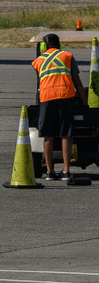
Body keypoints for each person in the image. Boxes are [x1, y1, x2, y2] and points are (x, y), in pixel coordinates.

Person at [33, 33, 85, 180]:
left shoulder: (38, 61)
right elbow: (77, 82)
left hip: (46, 99)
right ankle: (66, 170)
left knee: (48, 135)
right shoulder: (67, 56)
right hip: (65, 97)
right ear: (59, 45)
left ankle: (49, 171)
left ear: (44, 46)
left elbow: (40, 83)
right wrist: (85, 103)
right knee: (66, 134)